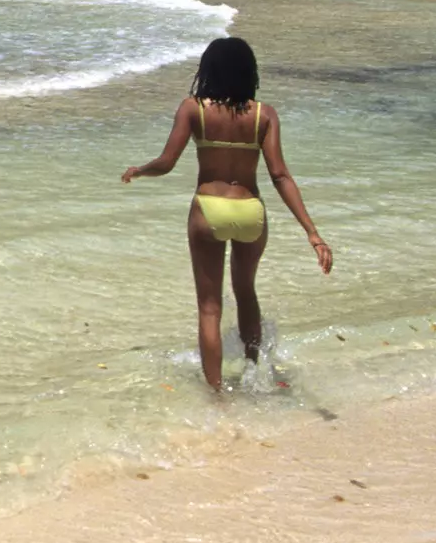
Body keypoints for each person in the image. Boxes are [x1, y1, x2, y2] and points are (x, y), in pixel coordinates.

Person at [122, 36, 332, 390]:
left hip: (209, 209)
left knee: (209, 307)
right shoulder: (264, 115)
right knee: (246, 293)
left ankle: (217, 393)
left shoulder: (193, 109)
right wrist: (312, 232)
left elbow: (167, 162)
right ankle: (253, 373)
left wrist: (140, 170)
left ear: (208, 70)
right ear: (250, 72)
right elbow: (280, 174)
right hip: (251, 210)